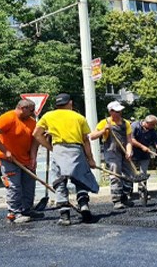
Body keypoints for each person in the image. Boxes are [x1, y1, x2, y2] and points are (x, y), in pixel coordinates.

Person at [33, 93, 99, 226]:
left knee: (59, 180)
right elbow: (86, 139)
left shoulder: (48, 116)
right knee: (80, 178)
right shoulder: (79, 117)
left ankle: (64, 215)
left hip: (59, 149)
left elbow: (36, 134)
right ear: (70, 103)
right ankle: (84, 205)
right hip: (76, 150)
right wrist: (90, 159)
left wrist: (50, 147)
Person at [0, 99, 40, 223]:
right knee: (14, 186)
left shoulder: (31, 122)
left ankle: (26, 209)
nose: (33, 113)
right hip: (8, 159)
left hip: (25, 158)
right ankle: (14, 213)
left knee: (29, 185)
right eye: (31, 110)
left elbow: (35, 141)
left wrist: (33, 157)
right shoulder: (8, 118)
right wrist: (5, 151)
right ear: (22, 108)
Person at [89, 101, 134, 210]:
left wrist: (129, 151)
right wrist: (104, 130)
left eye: (120, 111)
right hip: (111, 152)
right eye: (117, 111)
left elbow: (129, 140)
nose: (119, 113)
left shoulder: (126, 123)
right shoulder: (104, 122)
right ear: (111, 112)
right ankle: (116, 199)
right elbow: (92, 136)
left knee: (129, 175)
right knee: (115, 174)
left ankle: (125, 196)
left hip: (124, 152)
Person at [130, 115, 157, 198]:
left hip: (145, 155)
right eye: (153, 125)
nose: (154, 126)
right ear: (146, 123)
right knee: (130, 174)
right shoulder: (134, 126)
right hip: (132, 153)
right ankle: (129, 193)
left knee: (143, 173)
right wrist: (142, 147)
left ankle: (142, 191)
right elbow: (131, 139)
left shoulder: (152, 131)